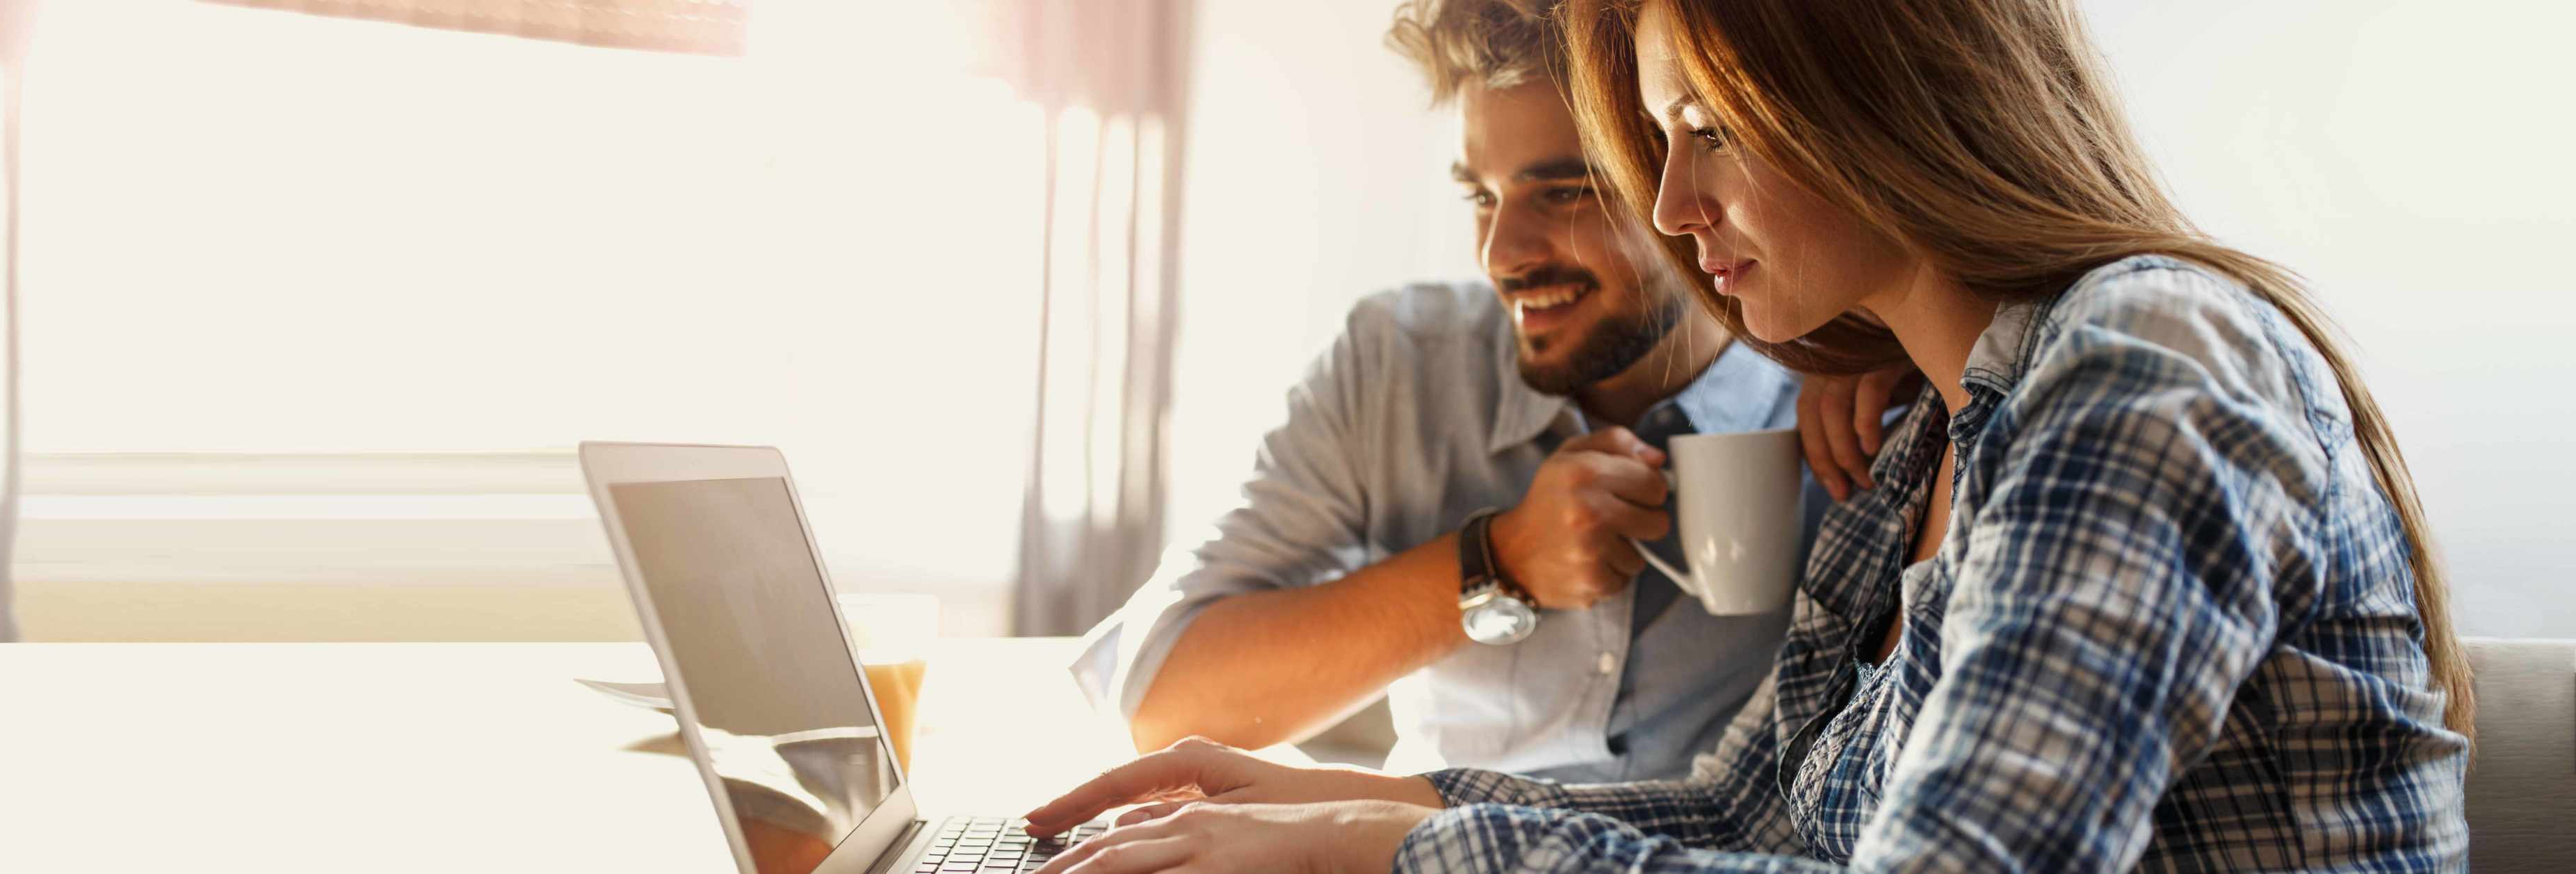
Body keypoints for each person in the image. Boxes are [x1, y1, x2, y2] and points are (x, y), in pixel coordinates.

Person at [1017, 0, 2475, 871]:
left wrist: (1376, 848)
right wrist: (1336, 795)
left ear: (1883, 89)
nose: (1670, 208)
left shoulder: (2140, 365)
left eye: (1702, 127)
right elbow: (1749, 804)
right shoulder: (1921, 445)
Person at [1069, 0, 1839, 784]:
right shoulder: (1397, 367)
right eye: (1481, 196)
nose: (1499, 254)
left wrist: (1874, 357)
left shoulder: (1846, 387)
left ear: (1687, 179)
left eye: (1564, 192)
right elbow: (1160, 698)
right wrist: (1494, 562)